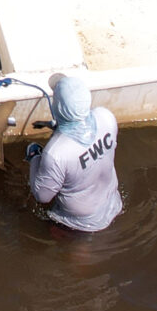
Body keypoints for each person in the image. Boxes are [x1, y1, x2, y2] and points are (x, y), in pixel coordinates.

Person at [28, 71, 122, 232]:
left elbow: (42, 196)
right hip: (113, 202)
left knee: (71, 253)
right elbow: (85, 135)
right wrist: (54, 125)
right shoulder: (106, 117)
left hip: (78, 222)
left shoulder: (56, 153)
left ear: (58, 107)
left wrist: (34, 157)